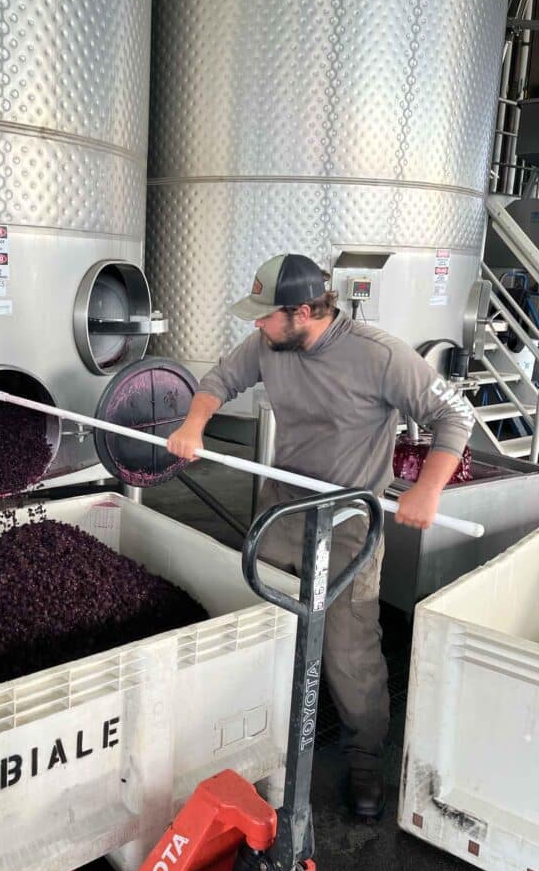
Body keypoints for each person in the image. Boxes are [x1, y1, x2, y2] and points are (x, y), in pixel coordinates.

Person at [166, 253, 474, 818]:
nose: (256, 325)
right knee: (260, 625)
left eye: (266, 315)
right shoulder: (269, 345)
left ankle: (363, 758)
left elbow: (456, 415)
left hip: (349, 522)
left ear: (304, 311)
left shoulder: (380, 356)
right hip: (282, 515)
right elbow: (219, 380)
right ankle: (254, 739)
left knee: (347, 647)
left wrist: (427, 488)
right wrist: (193, 423)